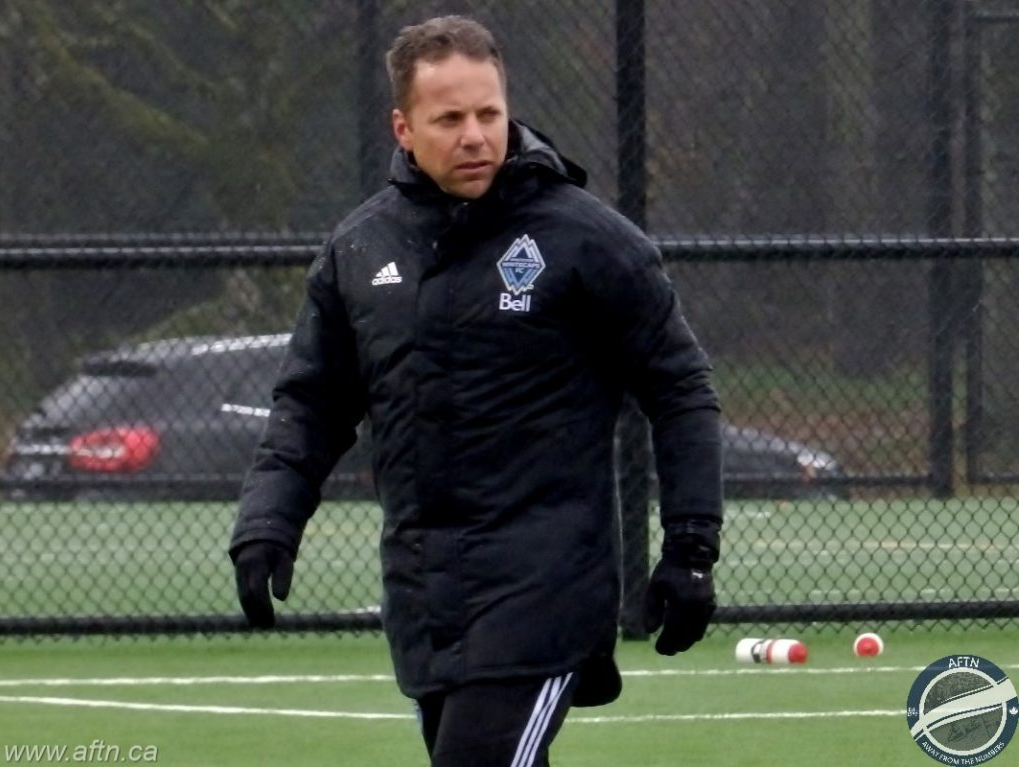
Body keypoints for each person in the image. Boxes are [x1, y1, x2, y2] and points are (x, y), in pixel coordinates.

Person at [229, 14, 723, 767]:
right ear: (404, 128)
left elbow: (680, 387)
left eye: (489, 114)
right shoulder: (360, 248)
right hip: (426, 597)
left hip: (546, 592)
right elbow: (312, 404)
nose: (475, 136)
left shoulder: (585, 239)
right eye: (449, 119)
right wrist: (268, 520)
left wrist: (690, 547)